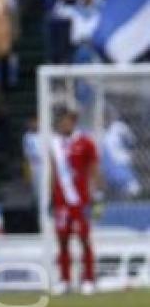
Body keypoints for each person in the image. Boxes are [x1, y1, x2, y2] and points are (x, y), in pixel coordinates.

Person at [50, 108, 101, 296]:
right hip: (62, 201)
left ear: (73, 122)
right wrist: (51, 197)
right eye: (61, 121)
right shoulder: (55, 144)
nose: (63, 124)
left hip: (80, 200)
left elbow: (94, 169)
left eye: (66, 121)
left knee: (84, 239)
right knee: (62, 240)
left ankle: (88, 279)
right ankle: (65, 280)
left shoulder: (85, 142)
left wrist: (95, 194)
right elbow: (54, 172)